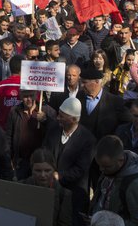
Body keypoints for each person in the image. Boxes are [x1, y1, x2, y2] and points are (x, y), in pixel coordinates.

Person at [43, 97, 96, 226]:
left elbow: (80, 169)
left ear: (73, 119)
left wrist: (58, 176)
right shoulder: (53, 129)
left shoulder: (87, 139)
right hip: (50, 189)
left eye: (62, 116)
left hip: (74, 193)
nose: (58, 118)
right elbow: (44, 151)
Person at [91, 135, 138, 226]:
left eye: (106, 167)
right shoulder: (109, 172)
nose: (101, 169)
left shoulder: (137, 186)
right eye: (99, 165)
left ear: (120, 161)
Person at [6, 89, 55, 180]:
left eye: (31, 95)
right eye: (25, 96)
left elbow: (55, 132)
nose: (28, 99)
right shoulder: (14, 111)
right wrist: (9, 159)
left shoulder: (48, 111)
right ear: (20, 96)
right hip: (21, 162)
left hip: (41, 163)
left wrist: (45, 120)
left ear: (36, 95)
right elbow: (8, 137)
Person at [21, 148, 71, 226]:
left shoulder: (64, 195)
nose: (43, 175)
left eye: (47, 170)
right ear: (32, 170)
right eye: (38, 170)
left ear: (54, 170)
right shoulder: (20, 188)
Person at [77, 68, 131, 140]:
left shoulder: (115, 102)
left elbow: (128, 121)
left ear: (97, 82)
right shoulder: (79, 96)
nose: (81, 85)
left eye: (84, 82)